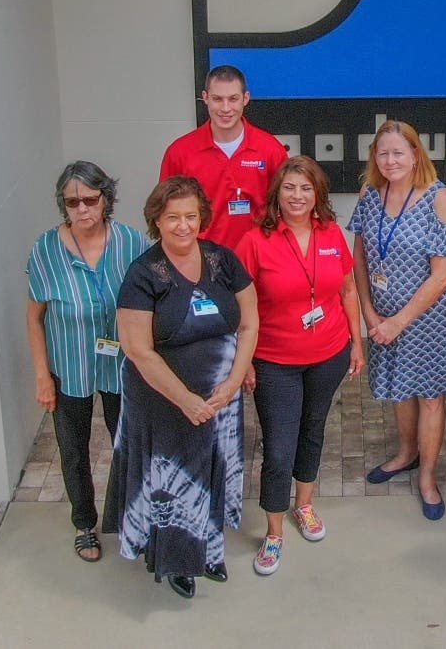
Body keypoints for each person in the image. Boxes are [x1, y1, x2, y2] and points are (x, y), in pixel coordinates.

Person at [108, 176, 258, 599]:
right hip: (165, 401)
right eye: (173, 217)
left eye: (191, 216)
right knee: (173, 479)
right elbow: (139, 351)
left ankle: (210, 551)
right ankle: (178, 564)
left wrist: (231, 383)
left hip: (220, 399)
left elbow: (249, 322)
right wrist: (187, 400)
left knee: (212, 469)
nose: (183, 225)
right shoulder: (143, 274)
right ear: (157, 220)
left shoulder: (222, 260)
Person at [235, 156, 366, 575]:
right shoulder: (255, 241)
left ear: (317, 195)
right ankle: (274, 530)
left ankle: (304, 505)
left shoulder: (330, 234)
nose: (297, 196)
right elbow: (241, 305)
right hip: (275, 360)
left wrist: (356, 343)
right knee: (278, 446)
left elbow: (347, 290)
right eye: (290, 188)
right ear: (277, 193)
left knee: (313, 431)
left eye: (305, 189)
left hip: (328, 353)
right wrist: (245, 361)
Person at [348, 120, 446, 521]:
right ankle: (405, 453)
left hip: (430, 317)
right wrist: (370, 312)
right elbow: (360, 256)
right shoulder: (370, 194)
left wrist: (397, 322)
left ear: (416, 154)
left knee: (430, 395)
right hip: (384, 314)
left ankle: (428, 477)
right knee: (400, 391)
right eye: (382, 153)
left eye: (398, 152)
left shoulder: (438, 197)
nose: (390, 160)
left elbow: (443, 274)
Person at [25, 161, 149, 563]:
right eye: (72, 202)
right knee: (73, 449)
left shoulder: (131, 243)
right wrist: (42, 375)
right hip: (69, 366)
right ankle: (84, 523)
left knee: (126, 444)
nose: (81, 210)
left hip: (122, 365)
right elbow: (34, 317)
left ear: (106, 199)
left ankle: (131, 516)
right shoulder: (46, 249)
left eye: (90, 200)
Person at [158, 65, 288, 249]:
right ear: (205, 98)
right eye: (217, 99)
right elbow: (165, 211)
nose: (225, 108)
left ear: (245, 98)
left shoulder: (270, 149)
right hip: (202, 260)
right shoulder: (180, 152)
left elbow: (285, 208)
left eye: (233, 99)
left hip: (259, 259)